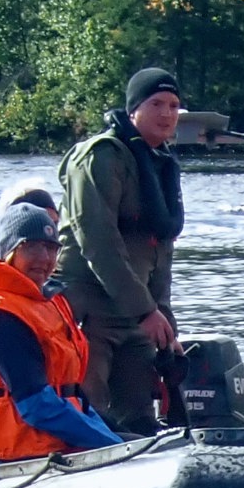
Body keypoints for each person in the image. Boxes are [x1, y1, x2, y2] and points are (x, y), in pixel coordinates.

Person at [56, 66, 185, 434]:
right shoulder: (101, 157)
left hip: (135, 315)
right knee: (88, 416)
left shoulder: (159, 163)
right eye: (156, 104)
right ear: (133, 110)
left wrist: (164, 320)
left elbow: (160, 250)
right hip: (90, 308)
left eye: (173, 106)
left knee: (140, 421)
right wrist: (145, 310)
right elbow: (98, 241)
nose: (167, 114)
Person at [0, 201, 123, 460]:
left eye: (51, 248)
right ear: (8, 251)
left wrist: (118, 436)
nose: (44, 258)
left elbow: (68, 392)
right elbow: (35, 406)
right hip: (14, 449)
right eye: (31, 246)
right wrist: (115, 447)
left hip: (53, 438)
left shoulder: (44, 301)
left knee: (144, 443)